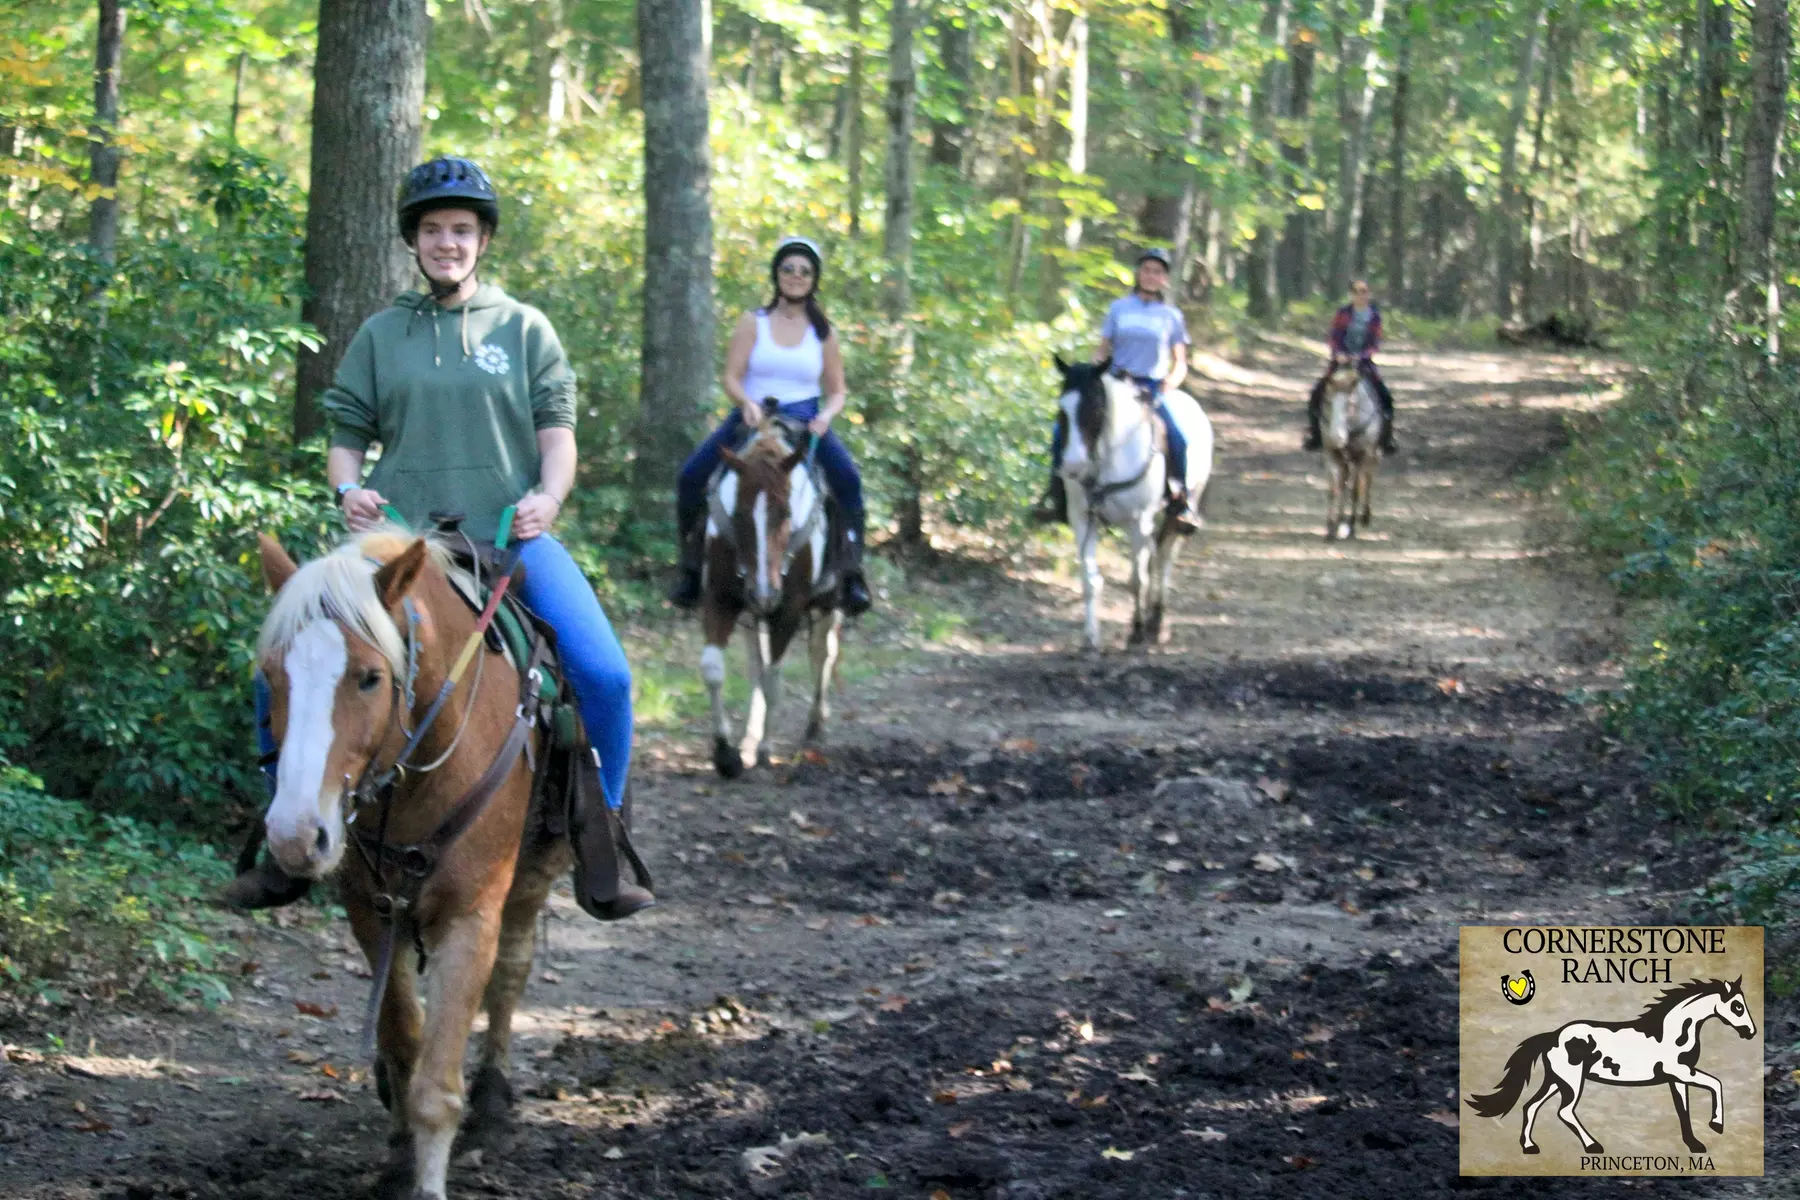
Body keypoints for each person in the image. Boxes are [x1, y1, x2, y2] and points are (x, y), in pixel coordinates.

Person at [225, 156, 652, 921]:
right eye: (432, 230)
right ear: (413, 241)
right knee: (276, 673)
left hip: (504, 536)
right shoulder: (383, 334)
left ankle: (602, 837)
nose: (446, 242)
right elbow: (346, 435)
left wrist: (547, 498)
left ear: (483, 239)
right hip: (393, 551)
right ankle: (284, 842)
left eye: (461, 229)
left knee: (605, 675)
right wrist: (348, 488)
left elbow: (559, 439)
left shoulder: (525, 329)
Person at [668, 235, 873, 615]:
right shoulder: (753, 322)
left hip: (805, 421)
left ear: (815, 279)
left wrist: (825, 418)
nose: (796, 276)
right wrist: (744, 401)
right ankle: (692, 571)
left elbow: (838, 391)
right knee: (691, 476)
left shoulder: (823, 332)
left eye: (805, 271)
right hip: (753, 416)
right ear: (776, 275)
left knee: (848, 481)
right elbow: (731, 376)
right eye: (788, 269)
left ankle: (852, 575)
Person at [1031, 247, 1199, 530]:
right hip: (1115, 384)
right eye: (1146, 270)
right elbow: (1102, 350)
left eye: (1157, 271)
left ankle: (1179, 498)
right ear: (1138, 274)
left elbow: (1180, 362)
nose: (1150, 275)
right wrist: (1091, 374)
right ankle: (1054, 494)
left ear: (1165, 279)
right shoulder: (1118, 309)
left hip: (1152, 387)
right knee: (1064, 429)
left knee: (1177, 435)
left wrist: (1169, 384)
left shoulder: (1171, 316)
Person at [1303, 278, 1398, 454]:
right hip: (1340, 362)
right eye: (1357, 291)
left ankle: (1387, 438)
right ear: (1351, 294)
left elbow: (1375, 342)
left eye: (1364, 291)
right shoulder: (1343, 313)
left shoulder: (1374, 315)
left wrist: (1361, 356)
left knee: (1385, 397)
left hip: (1364, 365)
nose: (1361, 295)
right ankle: (1315, 435)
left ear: (1369, 294)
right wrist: (1338, 353)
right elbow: (1334, 336)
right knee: (1317, 393)